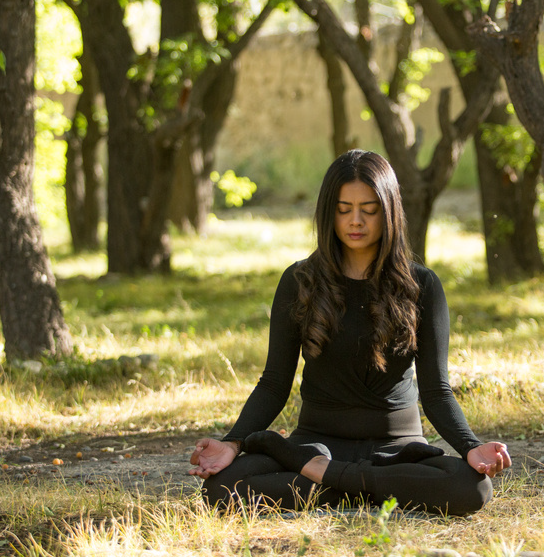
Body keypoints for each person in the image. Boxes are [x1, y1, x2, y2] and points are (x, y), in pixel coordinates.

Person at [189, 149, 510, 516]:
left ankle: (329, 483)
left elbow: (436, 391)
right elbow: (274, 382)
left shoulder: (422, 285)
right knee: (221, 488)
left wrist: (471, 446)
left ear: (388, 211)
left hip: (396, 450)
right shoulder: (299, 281)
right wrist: (232, 443)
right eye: (344, 209)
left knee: (472, 488)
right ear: (329, 212)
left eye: (369, 209)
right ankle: (369, 489)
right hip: (314, 445)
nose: (355, 221)